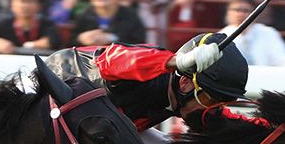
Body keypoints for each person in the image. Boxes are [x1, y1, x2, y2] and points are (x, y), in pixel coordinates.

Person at [51, 32, 248, 132]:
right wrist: (176, 61)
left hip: (95, 129)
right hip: (48, 94)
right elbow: (111, 60)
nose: (213, 110)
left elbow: (235, 120)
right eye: (209, 99)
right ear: (186, 83)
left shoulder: (187, 102)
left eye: (221, 103)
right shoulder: (148, 67)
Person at [70, 0, 146, 45]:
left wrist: (113, 39)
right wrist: (81, 39)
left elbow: (139, 44)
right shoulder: (83, 15)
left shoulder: (130, 16)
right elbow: (70, 44)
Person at [219, 0, 285, 66]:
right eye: (236, 10)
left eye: (246, 10)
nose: (240, 14)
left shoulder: (269, 33)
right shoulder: (221, 36)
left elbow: (284, 61)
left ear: (255, 14)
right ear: (228, 13)